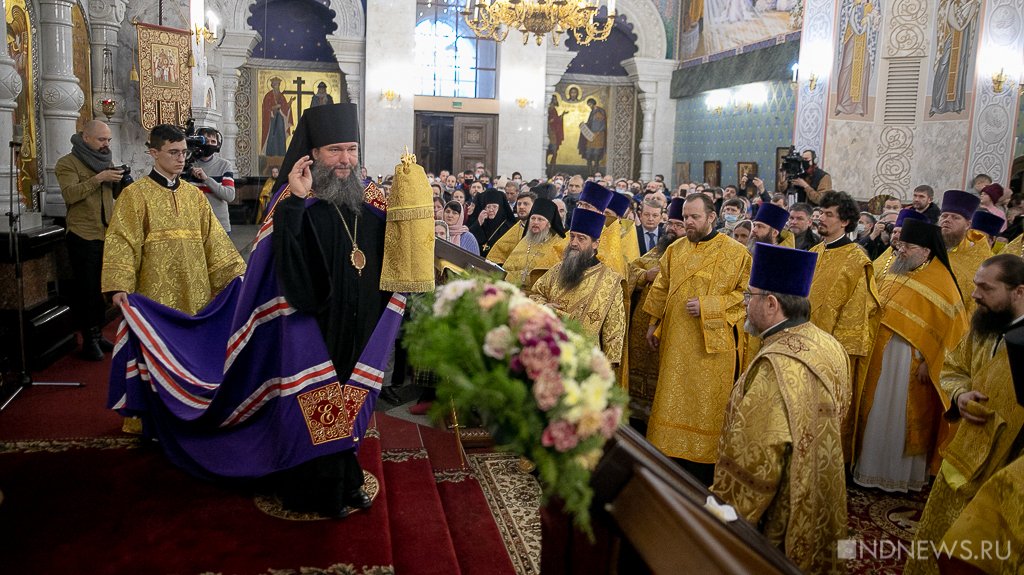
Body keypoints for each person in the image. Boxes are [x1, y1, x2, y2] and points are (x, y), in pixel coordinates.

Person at [271, 103, 393, 517]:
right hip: (316, 323)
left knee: (352, 399)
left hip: (363, 320)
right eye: (335, 150)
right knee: (321, 401)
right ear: (313, 154)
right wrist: (294, 201)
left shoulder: (371, 203)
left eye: (352, 149)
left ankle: (345, 474)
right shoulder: (296, 202)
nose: (345, 160)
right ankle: (319, 487)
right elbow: (282, 262)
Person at [712, 242, 849, 573]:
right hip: (823, 490)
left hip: (784, 511)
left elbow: (754, 464)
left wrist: (719, 518)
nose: (744, 304)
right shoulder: (828, 343)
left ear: (771, 303)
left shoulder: (775, 366)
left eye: (749, 296)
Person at [904, 254, 1024, 575]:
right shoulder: (984, 325)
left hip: (1003, 471)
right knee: (934, 539)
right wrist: (959, 395)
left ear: (1019, 292)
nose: (974, 295)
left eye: (986, 288)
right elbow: (954, 367)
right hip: (960, 457)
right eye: (975, 286)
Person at [643, 194, 752, 486]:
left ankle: (702, 473)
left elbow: (746, 296)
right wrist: (652, 324)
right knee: (670, 399)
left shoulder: (736, 252)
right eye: (685, 217)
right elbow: (661, 286)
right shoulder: (675, 249)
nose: (688, 222)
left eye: (694, 217)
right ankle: (667, 466)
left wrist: (709, 305)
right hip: (676, 342)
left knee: (706, 408)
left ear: (711, 217)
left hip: (711, 349)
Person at [853, 219, 968, 491]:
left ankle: (898, 476)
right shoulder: (893, 268)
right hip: (880, 356)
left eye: (908, 246)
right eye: (901, 244)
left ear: (926, 251)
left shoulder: (942, 282)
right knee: (877, 410)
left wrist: (932, 362)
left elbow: (953, 332)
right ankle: (869, 468)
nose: (901, 250)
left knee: (900, 417)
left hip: (911, 363)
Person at [102, 124, 246, 316]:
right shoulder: (135, 195)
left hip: (195, 292)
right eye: (173, 152)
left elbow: (215, 240)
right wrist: (119, 285)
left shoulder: (194, 195)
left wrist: (237, 275)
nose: (181, 159)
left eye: (184, 152)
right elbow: (122, 241)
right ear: (154, 153)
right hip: (154, 294)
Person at [807, 191, 881, 459]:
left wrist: (833, 353)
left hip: (832, 352)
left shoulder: (857, 260)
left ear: (845, 221)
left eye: (829, 214)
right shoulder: (814, 251)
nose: (821, 218)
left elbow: (856, 314)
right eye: (821, 212)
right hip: (803, 343)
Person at [55, 119, 127, 360]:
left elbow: (113, 195)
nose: (106, 144)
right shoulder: (67, 163)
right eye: (101, 139)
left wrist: (120, 182)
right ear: (86, 138)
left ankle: (98, 334)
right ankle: (88, 338)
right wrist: (98, 179)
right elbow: (70, 194)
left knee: (101, 287)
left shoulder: (105, 161)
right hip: (82, 234)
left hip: (106, 232)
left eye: (108, 140)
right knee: (86, 290)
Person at [530, 208, 625, 364]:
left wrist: (607, 367)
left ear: (595, 244)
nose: (574, 243)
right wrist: (544, 306)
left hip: (584, 359)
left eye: (581, 238)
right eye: (572, 236)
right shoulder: (556, 270)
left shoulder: (611, 281)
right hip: (548, 349)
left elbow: (615, 330)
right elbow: (535, 295)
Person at [624, 199, 682, 426]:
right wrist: (644, 276)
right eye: (671, 224)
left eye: (679, 225)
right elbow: (630, 271)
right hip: (640, 329)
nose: (673, 229)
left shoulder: (689, 260)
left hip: (670, 330)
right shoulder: (653, 254)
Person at [940, 189, 993, 315]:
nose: (947, 220)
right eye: (944, 216)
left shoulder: (980, 258)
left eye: (955, 217)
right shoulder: (926, 249)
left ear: (968, 224)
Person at [502, 198, 567, 292]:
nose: (535, 222)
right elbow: (508, 268)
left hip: (538, 296)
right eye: (533, 218)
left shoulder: (557, 244)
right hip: (514, 292)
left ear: (548, 224)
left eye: (540, 219)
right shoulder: (525, 240)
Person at [189, 127, 235, 234]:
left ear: (218, 145)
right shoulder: (188, 165)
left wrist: (206, 179)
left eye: (213, 141)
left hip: (219, 224)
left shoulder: (224, 165)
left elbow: (229, 195)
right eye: (205, 140)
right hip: (195, 225)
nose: (209, 144)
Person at [470, 188, 516, 257]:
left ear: (500, 208)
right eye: (488, 207)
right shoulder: (481, 222)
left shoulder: (509, 227)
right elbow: (470, 239)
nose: (491, 210)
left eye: (494, 207)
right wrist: (478, 223)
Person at [261, 77, 294, 156]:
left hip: (280, 120)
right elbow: (265, 108)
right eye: (275, 85)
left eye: (278, 85)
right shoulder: (268, 96)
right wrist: (274, 108)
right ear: (272, 85)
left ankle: (281, 155)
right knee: (272, 136)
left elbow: (285, 108)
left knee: (280, 136)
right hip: (271, 120)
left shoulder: (281, 96)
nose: (277, 86)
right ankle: (271, 155)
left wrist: (289, 103)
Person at [578, 97, 607, 175]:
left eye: (590, 104)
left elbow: (603, 125)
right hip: (591, 135)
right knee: (588, 154)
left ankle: (596, 173)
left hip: (598, 136)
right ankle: (589, 173)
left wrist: (597, 133)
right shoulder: (592, 112)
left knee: (596, 155)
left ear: (593, 103)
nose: (589, 106)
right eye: (588, 105)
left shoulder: (600, 111)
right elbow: (590, 123)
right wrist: (584, 125)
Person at [546, 94, 567, 172]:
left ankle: (552, 169)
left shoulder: (554, 109)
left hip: (554, 133)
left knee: (554, 152)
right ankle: (547, 169)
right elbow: (547, 120)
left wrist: (562, 116)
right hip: (549, 133)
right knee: (548, 152)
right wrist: (549, 121)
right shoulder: (548, 109)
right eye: (554, 99)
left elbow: (556, 120)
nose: (555, 101)